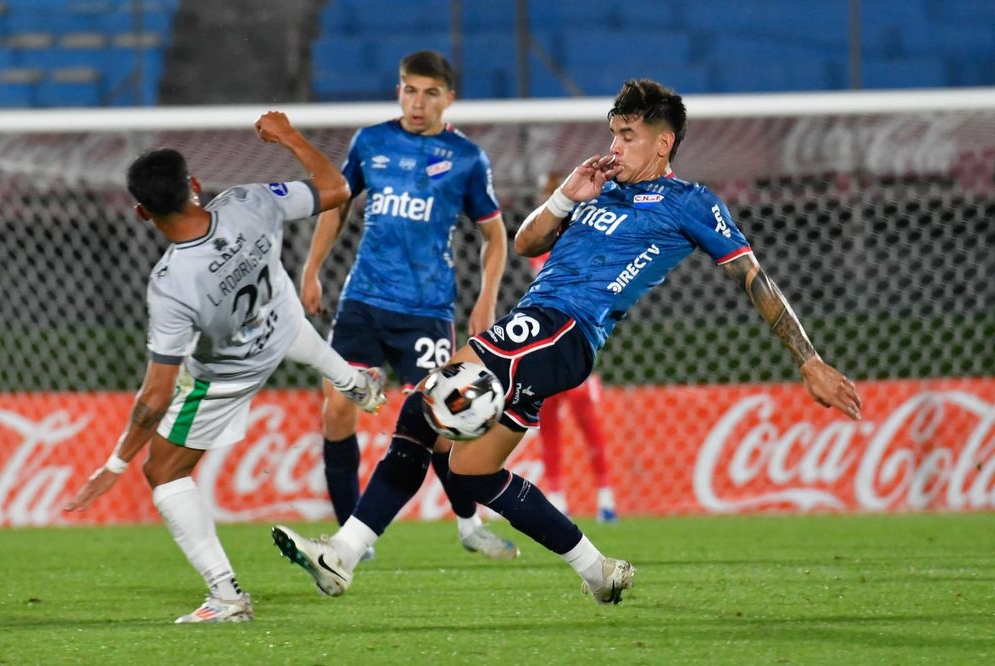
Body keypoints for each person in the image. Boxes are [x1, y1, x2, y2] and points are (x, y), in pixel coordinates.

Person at [272, 79, 862, 605]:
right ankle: (596, 568)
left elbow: (753, 277)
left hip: (565, 329)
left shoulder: (691, 204)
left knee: (423, 403)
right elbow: (528, 244)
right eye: (612, 133)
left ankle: (342, 554)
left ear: (663, 144)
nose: (615, 147)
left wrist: (808, 360)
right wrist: (566, 196)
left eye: (628, 136)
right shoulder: (602, 189)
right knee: (475, 472)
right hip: (538, 327)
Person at [64, 112, 386, 624]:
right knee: (280, 306)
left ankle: (227, 597)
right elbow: (337, 188)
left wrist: (116, 464)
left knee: (163, 470)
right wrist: (287, 137)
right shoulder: (246, 201)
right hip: (280, 324)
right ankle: (355, 381)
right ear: (194, 185)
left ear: (143, 214)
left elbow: (155, 396)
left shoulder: (170, 283)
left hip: (231, 372)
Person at [299, 50, 517, 560]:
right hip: (363, 300)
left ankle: (469, 525)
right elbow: (336, 206)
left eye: (430, 92)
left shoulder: (466, 159)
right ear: (399, 90)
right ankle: (351, 534)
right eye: (409, 90)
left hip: (426, 309)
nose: (418, 103)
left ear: (449, 98)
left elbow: (495, 235)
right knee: (336, 409)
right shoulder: (371, 142)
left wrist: (485, 300)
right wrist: (310, 270)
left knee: (441, 427)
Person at [529, 172, 617, 523]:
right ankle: (557, 496)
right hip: (549, 346)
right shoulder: (545, 241)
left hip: (574, 342)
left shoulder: (581, 237)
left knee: (588, 423)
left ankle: (605, 495)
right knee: (549, 423)